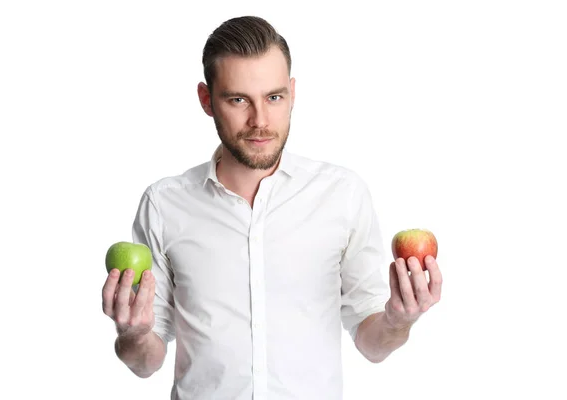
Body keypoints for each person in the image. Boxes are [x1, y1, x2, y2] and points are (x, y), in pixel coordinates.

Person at [101, 15, 442, 400]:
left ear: (292, 93)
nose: (260, 121)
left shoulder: (342, 194)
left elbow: (372, 344)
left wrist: (400, 321)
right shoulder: (164, 204)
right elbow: (145, 363)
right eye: (238, 99)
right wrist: (132, 333)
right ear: (206, 100)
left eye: (274, 97)